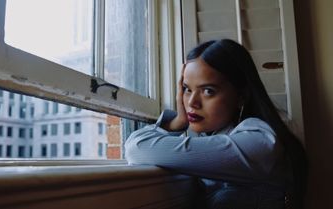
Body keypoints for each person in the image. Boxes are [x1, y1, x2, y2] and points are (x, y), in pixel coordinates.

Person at [125, 39, 307, 209]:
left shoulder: (260, 142)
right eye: (187, 89)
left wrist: (176, 123)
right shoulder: (219, 137)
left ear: (241, 96)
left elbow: (137, 148)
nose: (191, 102)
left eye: (208, 91)